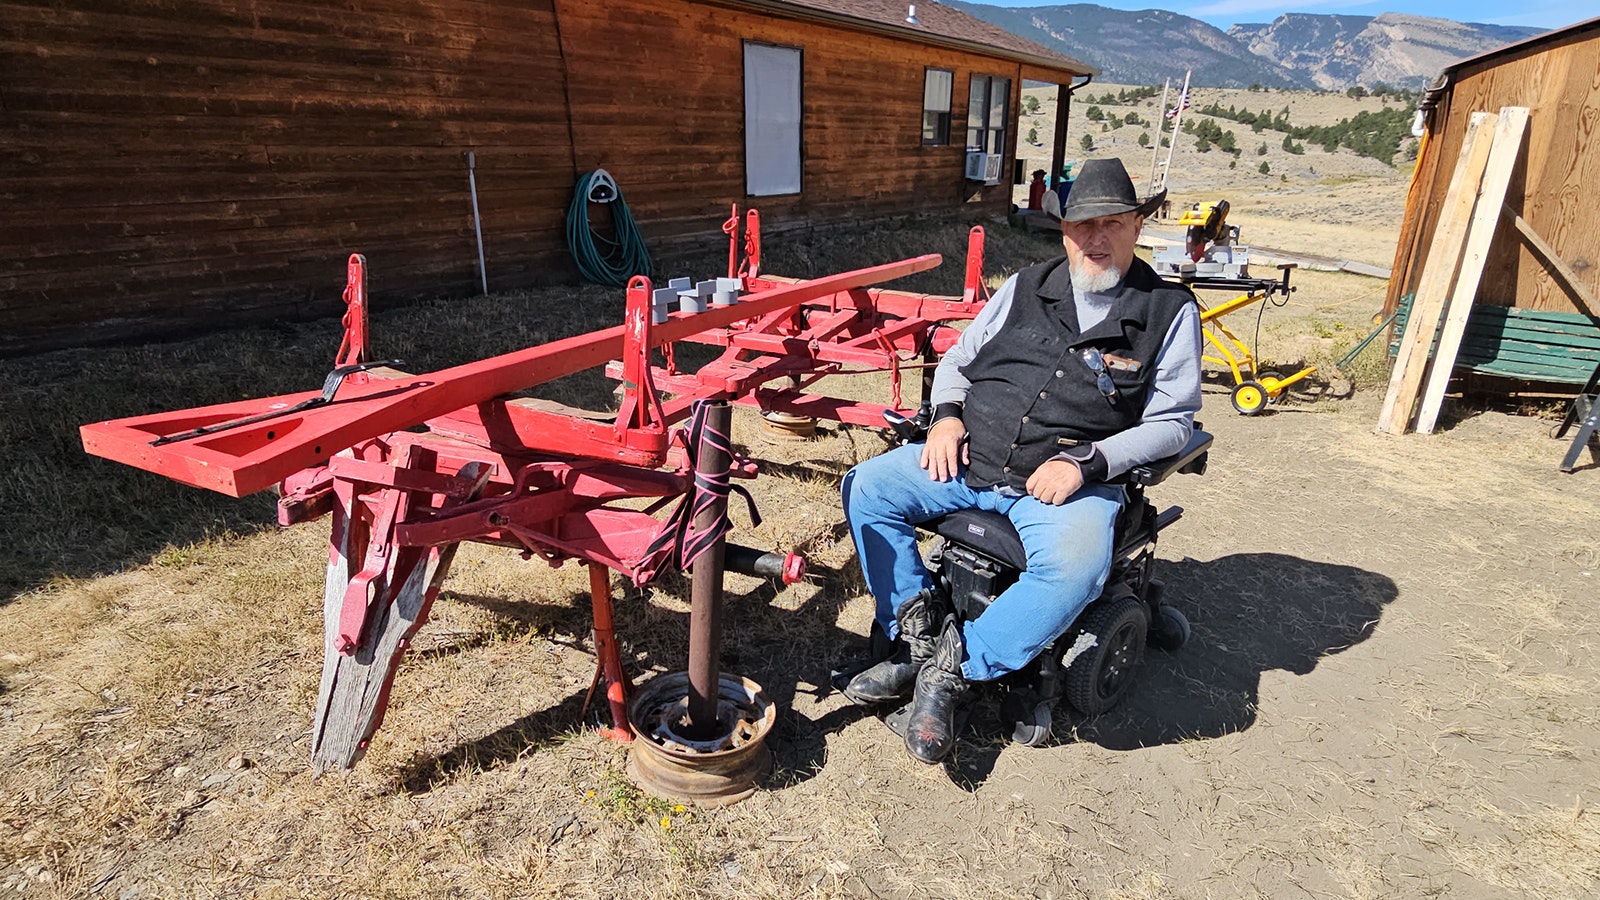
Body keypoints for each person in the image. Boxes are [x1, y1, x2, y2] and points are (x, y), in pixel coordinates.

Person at [839, 158, 1203, 764]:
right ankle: (913, 637)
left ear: (1138, 226)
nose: (1096, 239)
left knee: (1075, 569)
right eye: (1083, 225)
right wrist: (949, 416)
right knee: (868, 487)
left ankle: (954, 670)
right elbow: (956, 364)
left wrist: (1089, 463)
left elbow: (1173, 423)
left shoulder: (1167, 311)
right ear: (1063, 231)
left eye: (1113, 223)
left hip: (1066, 485)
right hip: (970, 460)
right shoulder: (1024, 287)